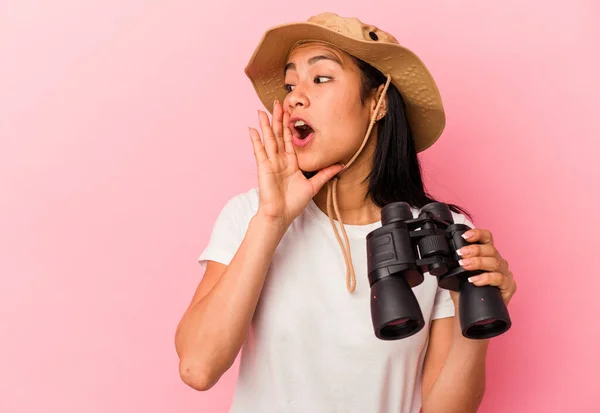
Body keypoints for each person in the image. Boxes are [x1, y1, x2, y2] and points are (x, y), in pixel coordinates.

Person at [174, 12, 517, 413]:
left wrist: (476, 317)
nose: (295, 97)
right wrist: (271, 220)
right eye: (289, 85)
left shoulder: (441, 231)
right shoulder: (250, 214)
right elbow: (198, 368)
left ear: (377, 103)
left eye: (321, 79)